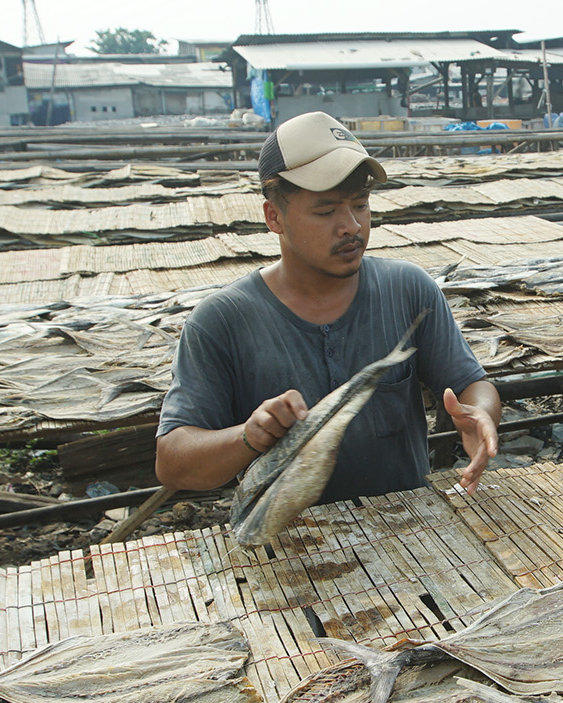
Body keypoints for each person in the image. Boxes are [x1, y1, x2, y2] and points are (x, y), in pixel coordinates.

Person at [155, 111, 500, 505]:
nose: (351, 226)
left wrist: (481, 414)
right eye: (325, 211)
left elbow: (472, 384)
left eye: (361, 205)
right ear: (274, 217)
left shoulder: (408, 291)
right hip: (293, 549)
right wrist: (248, 436)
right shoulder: (221, 321)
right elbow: (173, 461)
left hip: (410, 535)